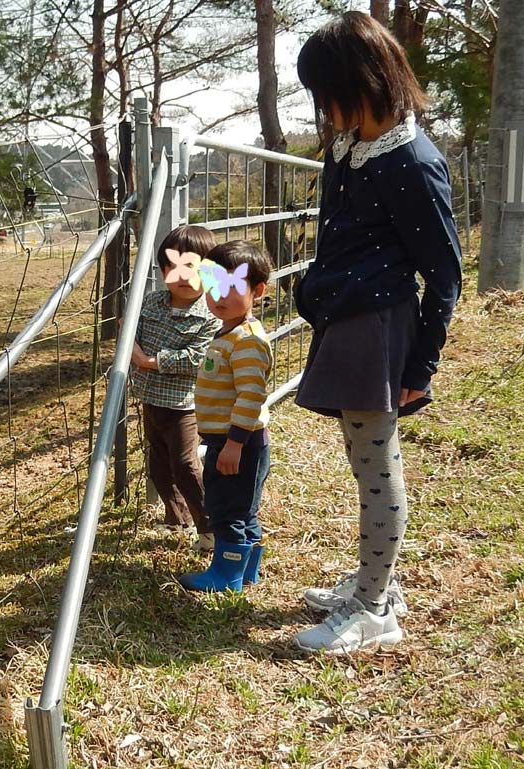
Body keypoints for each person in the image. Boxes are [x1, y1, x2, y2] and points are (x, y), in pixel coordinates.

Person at [290, 11, 463, 653]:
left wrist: (421, 368)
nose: (322, 109)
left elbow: (445, 274)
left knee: (375, 469)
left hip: (379, 329)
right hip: (346, 318)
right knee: (366, 464)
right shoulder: (351, 148)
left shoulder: (412, 163)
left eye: (327, 94)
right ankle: (375, 584)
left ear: (364, 83)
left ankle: (374, 607)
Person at [179, 240, 274, 592]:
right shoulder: (229, 331)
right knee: (242, 507)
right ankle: (246, 570)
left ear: (258, 290)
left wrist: (234, 444)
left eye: (233, 287)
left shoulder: (246, 340)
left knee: (225, 508)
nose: (220, 296)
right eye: (214, 284)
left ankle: (226, 574)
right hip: (231, 439)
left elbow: (252, 395)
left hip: (238, 442)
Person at [131, 225, 223, 549]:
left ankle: (211, 527)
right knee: (158, 464)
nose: (182, 276)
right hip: (151, 398)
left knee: (185, 465)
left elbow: (199, 357)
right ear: (162, 269)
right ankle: (178, 518)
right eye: (173, 266)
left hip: (185, 403)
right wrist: (129, 343)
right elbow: (131, 333)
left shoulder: (212, 313)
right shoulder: (152, 302)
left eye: (192, 267)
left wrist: (148, 361)